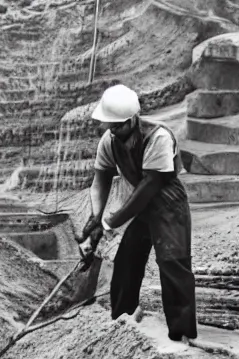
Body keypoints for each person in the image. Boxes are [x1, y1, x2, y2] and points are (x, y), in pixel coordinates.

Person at [78, 84, 195, 343]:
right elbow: (101, 179)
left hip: (168, 205)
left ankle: (182, 332)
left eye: (118, 126)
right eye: (109, 125)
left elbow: (149, 186)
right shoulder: (110, 141)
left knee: (172, 262)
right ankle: (122, 317)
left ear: (133, 119)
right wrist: (94, 220)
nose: (113, 131)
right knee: (126, 261)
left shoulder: (158, 137)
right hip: (141, 205)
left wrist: (110, 223)